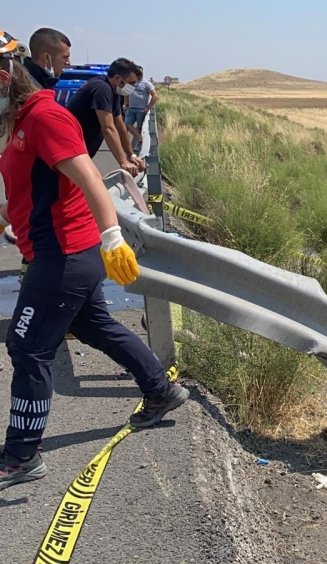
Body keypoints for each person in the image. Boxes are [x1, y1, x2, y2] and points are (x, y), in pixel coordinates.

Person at [0, 40, 189, 492]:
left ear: (5, 78)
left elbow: (90, 180)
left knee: (28, 348)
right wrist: (13, 216)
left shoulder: (45, 118)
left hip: (64, 255)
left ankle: (22, 454)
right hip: (58, 250)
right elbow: (35, 188)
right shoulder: (21, 120)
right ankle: (161, 391)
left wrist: (112, 238)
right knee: (94, 325)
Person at [66, 57, 145, 177]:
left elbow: (120, 127)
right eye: (131, 83)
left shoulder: (115, 91)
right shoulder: (102, 89)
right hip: (69, 149)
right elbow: (108, 127)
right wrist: (123, 162)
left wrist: (131, 155)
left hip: (81, 151)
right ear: (118, 78)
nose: (132, 88)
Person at [123, 66, 156, 155]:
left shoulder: (146, 84)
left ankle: (134, 148)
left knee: (139, 128)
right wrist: (126, 104)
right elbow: (126, 93)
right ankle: (139, 139)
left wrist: (148, 107)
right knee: (127, 124)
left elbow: (155, 96)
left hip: (141, 110)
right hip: (131, 109)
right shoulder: (131, 82)